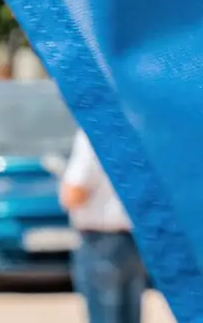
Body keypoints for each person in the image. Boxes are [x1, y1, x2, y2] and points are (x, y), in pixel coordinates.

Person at [60, 127, 146, 323]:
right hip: (132, 240)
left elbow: (75, 192)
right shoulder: (134, 130)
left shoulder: (94, 132)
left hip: (100, 240)